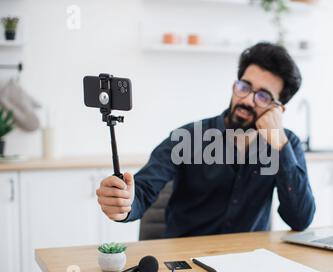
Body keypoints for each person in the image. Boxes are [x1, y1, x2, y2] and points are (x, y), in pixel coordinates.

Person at [96, 42, 316, 238]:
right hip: (185, 266)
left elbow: (300, 219)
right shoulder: (187, 138)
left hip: (249, 265)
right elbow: (142, 192)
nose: (247, 100)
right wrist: (123, 203)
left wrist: (280, 145)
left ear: (278, 109)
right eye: (244, 87)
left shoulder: (286, 145)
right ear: (234, 86)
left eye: (263, 96)